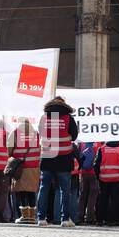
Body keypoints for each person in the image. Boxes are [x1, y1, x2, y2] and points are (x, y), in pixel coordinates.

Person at [38, 96, 80, 227]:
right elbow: (74, 135)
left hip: (47, 157)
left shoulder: (44, 118)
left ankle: (41, 218)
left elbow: (40, 133)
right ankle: (65, 219)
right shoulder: (68, 118)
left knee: (44, 188)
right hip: (64, 157)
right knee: (64, 190)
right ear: (64, 105)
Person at [10, 117, 41, 225]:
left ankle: (24, 216)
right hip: (34, 166)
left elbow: (9, 150)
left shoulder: (15, 133)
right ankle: (32, 216)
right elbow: (40, 149)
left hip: (20, 167)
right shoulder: (36, 134)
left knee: (22, 191)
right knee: (31, 191)